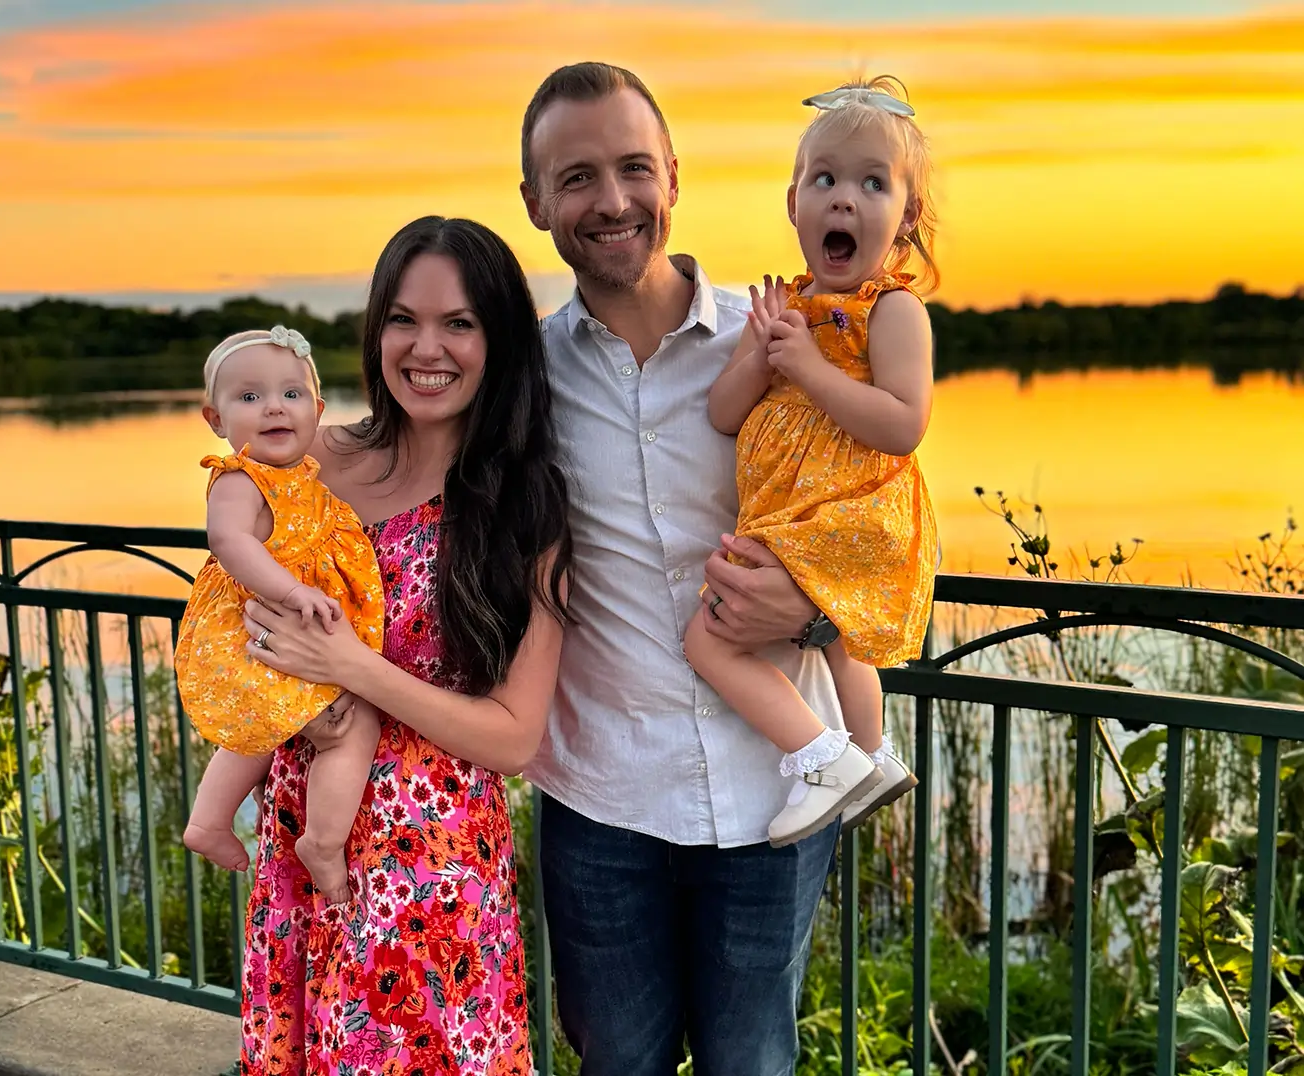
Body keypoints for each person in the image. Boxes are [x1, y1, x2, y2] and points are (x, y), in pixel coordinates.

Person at [518, 62, 847, 1075]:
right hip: (600, 803)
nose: (611, 202)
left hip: (773, 793)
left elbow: (887, 524)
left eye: (631, 168)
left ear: (673, 175)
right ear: (535, 202)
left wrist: (820, 612)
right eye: (576, 178)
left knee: (754, 1063)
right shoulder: (522, 379)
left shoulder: (784, 339)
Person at [236, 216, 572, 1075]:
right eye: (403, 319)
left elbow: (514, 735)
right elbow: (225, 593)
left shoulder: (524, 505)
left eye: (459, 323)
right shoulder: (306, 462)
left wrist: (351, 666)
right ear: (374, 329)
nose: (428, 348)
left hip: (434, 873)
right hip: (308, 843)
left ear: (498, 339)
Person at [683, 75, 938, 846]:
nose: (843, 200)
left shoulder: (893, 311)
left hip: (852, 513)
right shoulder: (784, 314)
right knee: (841, 638)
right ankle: (871, 752)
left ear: (905, 216)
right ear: (792, 202)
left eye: (872, 183)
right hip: (798, 515)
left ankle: (822, 757)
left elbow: (903, 423)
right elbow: (722, 414)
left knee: (707, 636)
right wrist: (763, 356)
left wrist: (811, 371)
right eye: (824, 179)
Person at [176, 325, 384, 903]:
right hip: (262, 622)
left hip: (280, 631)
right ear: (215, 419)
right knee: (352, 726)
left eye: (291, 395)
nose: (273, 407)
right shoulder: (239, 478)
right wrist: (294, 592)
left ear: (317, 411)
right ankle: (322, 841)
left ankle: (210, 820)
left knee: (261, 729)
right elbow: (229, 543)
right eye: (249, 398)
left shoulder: (303, 478)